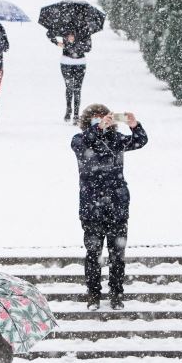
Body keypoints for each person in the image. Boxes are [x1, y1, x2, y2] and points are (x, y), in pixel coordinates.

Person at [70, 105, 149, 310]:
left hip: (117, 204)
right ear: (88, 122)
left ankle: (116, 293)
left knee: (117, 254)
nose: (101, 122)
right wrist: (98, 129)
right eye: (95, 119)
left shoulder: (117, 139)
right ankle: (93, 294)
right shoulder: (80, 140)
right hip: (91, 206)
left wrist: (135, 126)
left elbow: (140, 141)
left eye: (103, 118)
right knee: (93, 253)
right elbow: (85, 142)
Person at [49, 28, 92, 122]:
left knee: (77, 89)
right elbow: (49, 33)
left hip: (80, 63)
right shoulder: (64, 27)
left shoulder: (85, 29)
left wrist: (74, 44)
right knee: (69, 87)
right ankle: (69, 109)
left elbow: (88, 47)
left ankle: (76, 114)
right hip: (66, 63)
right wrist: (56, 42)